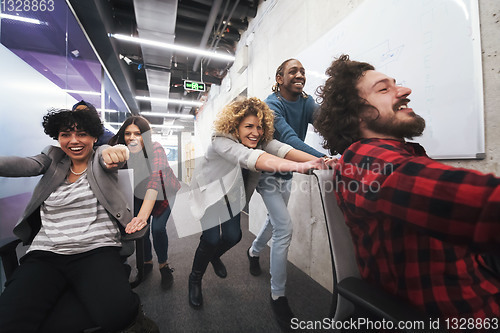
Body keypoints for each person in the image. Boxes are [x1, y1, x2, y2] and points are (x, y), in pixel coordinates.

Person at [314, 54, 500, 323]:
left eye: (396, 84)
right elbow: (480, 204)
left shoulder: (401, 154)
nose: (405, 91)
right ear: (356, 115)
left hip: (477, 276)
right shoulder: (365, 162)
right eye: (384, 89)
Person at [0, 108, 158, 332]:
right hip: (46, 253)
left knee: (118, 315)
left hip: (96, 248)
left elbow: (110, 155)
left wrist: (118, 152)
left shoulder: (100, 156)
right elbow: (27, 165)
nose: (74, 140)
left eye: (82, 134)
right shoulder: (53, 158)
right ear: (58, 138)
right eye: (66, 134)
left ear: (94, 136)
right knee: (9, 320)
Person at [187, 97, 327, 311]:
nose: (255, 132)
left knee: (234, 236)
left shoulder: (260, 141)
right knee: (211, 238)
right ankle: (195, 279)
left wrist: (321, 160)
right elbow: (251, 157)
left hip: (231, 198)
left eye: (259, 127)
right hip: (210, 196)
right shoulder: (220, 140)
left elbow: (282, 148)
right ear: (235, 126)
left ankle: (214, 256)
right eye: (249, 126)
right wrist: (300, 167)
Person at [247, 58, 328, 327]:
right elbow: (289, 139)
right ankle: (278, 295)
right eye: (293, 70)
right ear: (279, 78)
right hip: (268, 174)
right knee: (284, 227)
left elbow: (324, 123)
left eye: (303, 71)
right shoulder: (272, 104)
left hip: (288, 172)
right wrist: (323, 160)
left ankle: (254, 250)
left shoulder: (305, 102)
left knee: (273, 221)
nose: (300, 74)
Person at [109, 116, 180, 290]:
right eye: (128, 133)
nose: (132, 138)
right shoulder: (123, 151)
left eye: (137, 133)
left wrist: (141, 216)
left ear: (145, 135)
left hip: (164, 192)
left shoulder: (155, 148)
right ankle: (147, 261)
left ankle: (164, 266)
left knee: (157, 228)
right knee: (143, 230)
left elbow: (155, 180)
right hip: (139, 194)